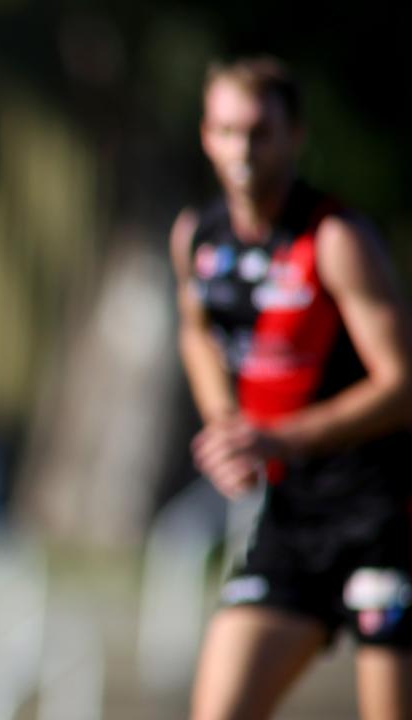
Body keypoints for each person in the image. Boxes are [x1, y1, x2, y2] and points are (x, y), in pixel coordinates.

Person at [171, 56, 412, 719]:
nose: (241, 150)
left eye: (259, 132)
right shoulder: (198, 237)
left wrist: (275, 436)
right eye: (225, 131)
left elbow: (402, 386)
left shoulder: (334, 237)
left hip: (384, 514)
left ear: (295, 136)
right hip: (294, 517)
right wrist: (226, 423)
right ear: (204, 136)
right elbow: (195, 332)